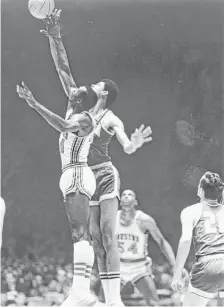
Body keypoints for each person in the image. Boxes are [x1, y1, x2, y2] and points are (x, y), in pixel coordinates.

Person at [40, 10, 152, 307]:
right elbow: (62, 67)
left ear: (104, 92)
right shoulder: (80, 103)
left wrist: (134, 144)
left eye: (100, 82)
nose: (95, 82)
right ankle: (90, 295)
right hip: (83, 173)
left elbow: (126, 147)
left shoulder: (108, 117)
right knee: (93, 240)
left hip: (102, 173)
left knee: (106, 234)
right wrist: (55, 36)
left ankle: (113, 301)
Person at [16, 81, 108, 307]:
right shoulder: (74, 108)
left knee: (80, 234)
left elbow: (64, 126)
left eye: (78, 90)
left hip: (77, 172)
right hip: (72, 174)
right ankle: (80, 292)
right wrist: (54, 42)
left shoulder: (83, 119)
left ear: (80, 100)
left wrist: (34, 103)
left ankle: (81, 293)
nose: (73, 87)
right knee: (79, 234)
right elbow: (63, 68)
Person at [115, 189, 176, 306]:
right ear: (120, 202)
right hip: (118, 265)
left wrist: (174, 265)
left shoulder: (144, 220)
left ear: (136, 202)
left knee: (153, 303)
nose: (126, 196)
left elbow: (161, 242)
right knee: (103, 301)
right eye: (124, 195)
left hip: (139, 266)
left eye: (130, 194)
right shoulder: (112, 218)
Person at [172, 171, 224, 306]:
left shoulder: (191, 211)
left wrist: (177, 275)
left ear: (200, 190)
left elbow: (185, 240)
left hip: (208, 266)